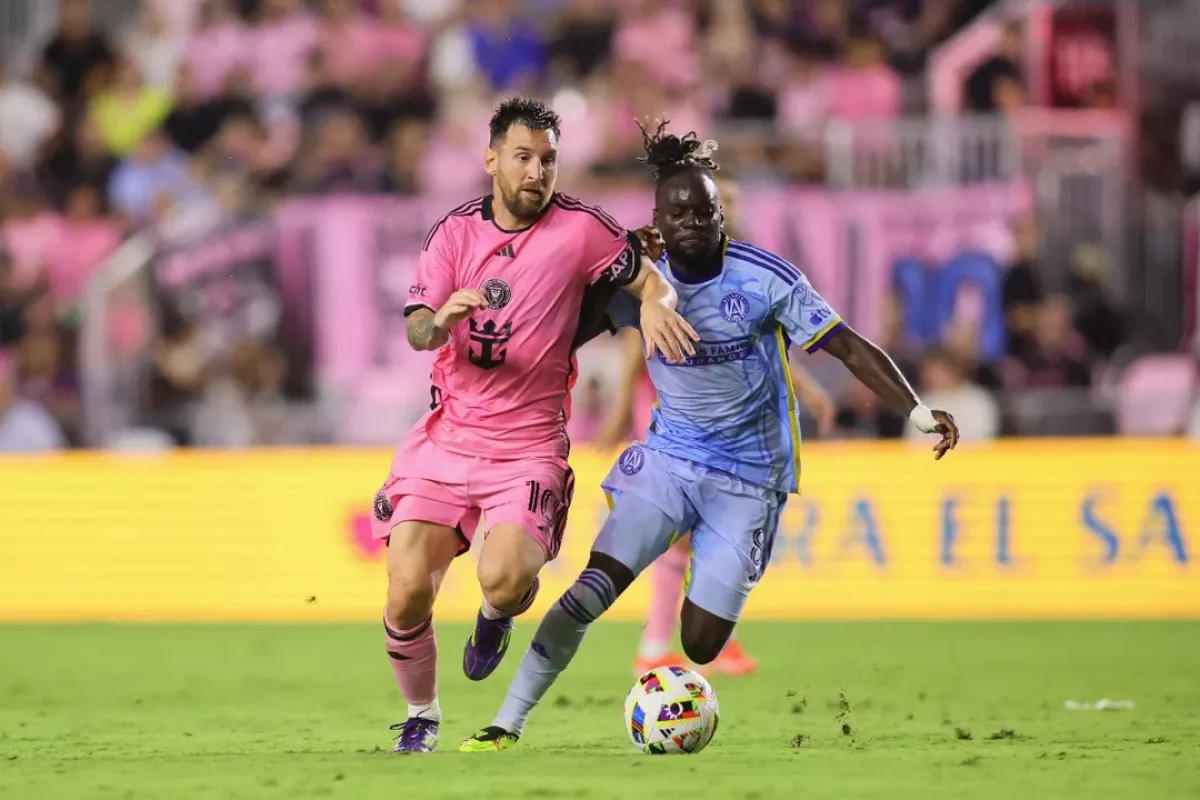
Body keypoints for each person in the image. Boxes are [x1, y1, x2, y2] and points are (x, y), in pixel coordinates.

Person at [460, 121, 959, 751]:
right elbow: (563, 331)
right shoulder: (641, 282)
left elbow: (849, 347)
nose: (693, 220)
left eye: (705, 209)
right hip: (670, 460)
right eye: (679, 211)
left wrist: (916, 411)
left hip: (751, 479)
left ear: (723, 216)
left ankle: (700, 580)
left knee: (700, 642)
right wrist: (614, 281)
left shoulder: (765, 278)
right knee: (590, 589)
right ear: (658, 222)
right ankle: (506, 723)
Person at [374, 98, 698, 754]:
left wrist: (658, 307)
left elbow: (649, 280)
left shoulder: (582, 230)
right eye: (523, 156)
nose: (536, 171)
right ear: (491, 159)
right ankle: (423, 715)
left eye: (548, 159)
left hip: (527, 447)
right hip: (446, 436)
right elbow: (415, 328)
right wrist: (439, 322)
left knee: (504, 579)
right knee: (407, 590)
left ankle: (495, 616)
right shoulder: (454, 235)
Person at [597, 174, 836, 679]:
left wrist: (808, 390)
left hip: (732, 419)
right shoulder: (669, 265)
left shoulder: (747, 267)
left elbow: (761, 345)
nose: (728, 207)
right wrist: (620, 408)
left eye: (732, 200)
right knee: (682, 530)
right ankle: (656, 643)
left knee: (710, 528)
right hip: (667, 403)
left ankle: (697, 633)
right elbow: (632, 337)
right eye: (723, 198)